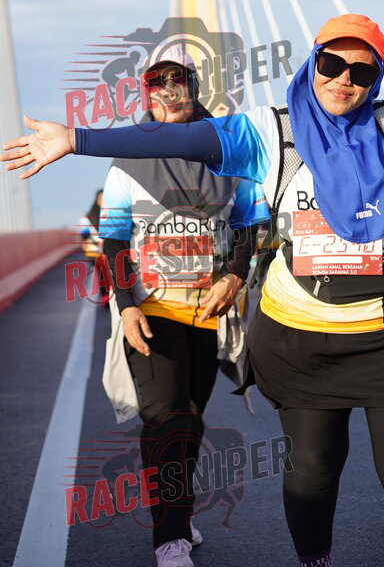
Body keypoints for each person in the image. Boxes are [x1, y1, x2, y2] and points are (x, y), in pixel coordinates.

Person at [3, 14, 384, 567]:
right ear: (312, 62)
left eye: (361, 70)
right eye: (331, 63)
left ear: (376, 77)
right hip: (303, 334)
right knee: (313, 473)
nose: (343, 79)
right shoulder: (269, 132)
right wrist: (77, 139)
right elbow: (179, 136)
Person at [99, 43, 268, 567]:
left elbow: (249, 225)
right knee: (166, 418)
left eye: (178, 81)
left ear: (194, 88)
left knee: (191, 420)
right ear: (146, 93)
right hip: (151, 311)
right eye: (158, 83)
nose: (168, 92)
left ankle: (179, 510)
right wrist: (127, 305)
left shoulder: (229, 153)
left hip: (207, 311)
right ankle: (169, 538)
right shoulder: (128, 157)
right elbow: (114, 239)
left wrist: (234, 275)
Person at [78, 188, 109, 304]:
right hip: (95, 252)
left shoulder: (113, 214)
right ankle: (105, 296)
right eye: (101, 198)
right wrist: (86, 250)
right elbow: (84, 236)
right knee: (102, 274)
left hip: (110, 250)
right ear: (97, 199)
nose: (103, 201)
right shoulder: (87, 217)